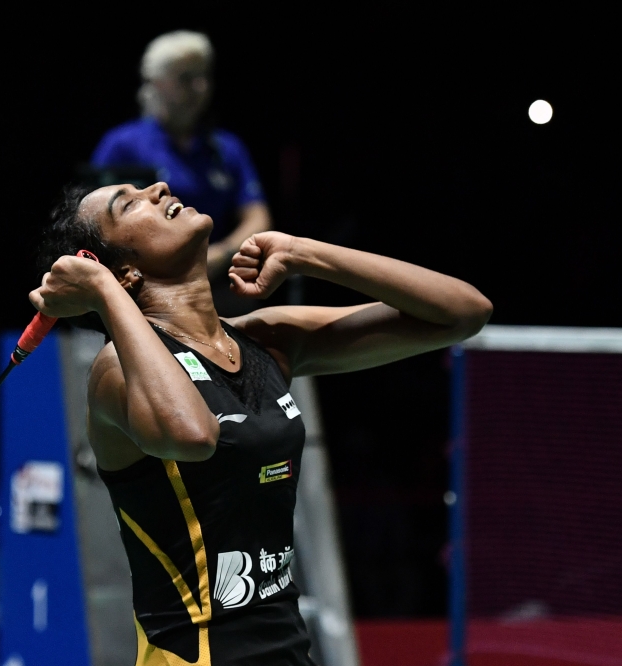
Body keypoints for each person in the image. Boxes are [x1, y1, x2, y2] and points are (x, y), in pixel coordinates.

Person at [31, 182, 492, 665]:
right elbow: (192, 435)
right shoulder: (115, 370)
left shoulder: (264, 341)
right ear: (124, 271)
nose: (158, 187)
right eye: (128, 204)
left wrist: (303, 252)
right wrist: (105, 293)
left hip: (287, 651)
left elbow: (462, 314)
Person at [91, 31, 271, 286]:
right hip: (145, 284)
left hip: (219, 280)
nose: (200, 87)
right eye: (186, 78)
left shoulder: (227, 147)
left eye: (204, 76)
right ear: (155, 82)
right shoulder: (122, 144)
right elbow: (95, 224)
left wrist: (219, 255)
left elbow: (257, 217)